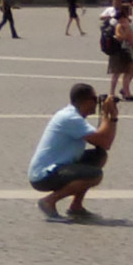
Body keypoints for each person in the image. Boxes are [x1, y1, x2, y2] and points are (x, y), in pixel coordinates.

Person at [29, 82, 120, 219]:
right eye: (94, 100)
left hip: (60, 165)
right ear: (85, 101)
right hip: (44, 175)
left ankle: (76, 206)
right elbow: (105, 141)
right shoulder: (70, 118)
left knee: (99, 155)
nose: (96, 103)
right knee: (95, 175)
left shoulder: (73, 115)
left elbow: (102, 142)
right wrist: (110, 116)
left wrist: (107, 117)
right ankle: (49, 201)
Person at [101, 5, 133, 100]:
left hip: (124, 51)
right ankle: (115, 93)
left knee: (130, 71)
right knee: (119, 73)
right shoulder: (119, 25)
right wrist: (127, 30)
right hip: (120, 51)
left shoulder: (124, 24)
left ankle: (124, 91)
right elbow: (121, 37)